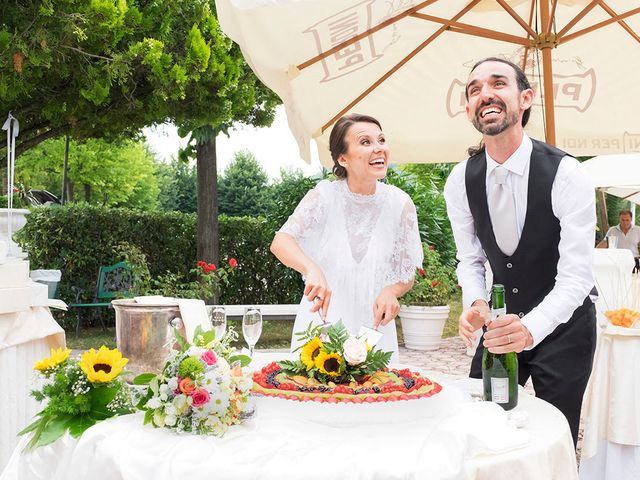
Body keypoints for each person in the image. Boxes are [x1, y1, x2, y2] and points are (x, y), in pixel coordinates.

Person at [443, 57, 597, 447]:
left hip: (566, 328)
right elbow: (470, 260)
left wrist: (530, 328)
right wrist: (476, 302)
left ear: (525, 98)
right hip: (497, 327)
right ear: (467, 109)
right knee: (480, 425)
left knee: (552, 439)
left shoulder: (567, 173)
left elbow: (577, 277)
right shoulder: (460, 179)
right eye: (474, 89)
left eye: (498, 84)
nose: (485, 94)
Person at [270, 113, 423, 361]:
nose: (379, 148)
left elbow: (406, 274)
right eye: (366, 142)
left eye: (381, 140)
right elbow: (281, 242)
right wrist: (312, 269)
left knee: (381, 396)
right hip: (322, 325)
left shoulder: (400, 204)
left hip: (374, 330)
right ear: (343, 158)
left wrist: (391, 291)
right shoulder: (324, 196)